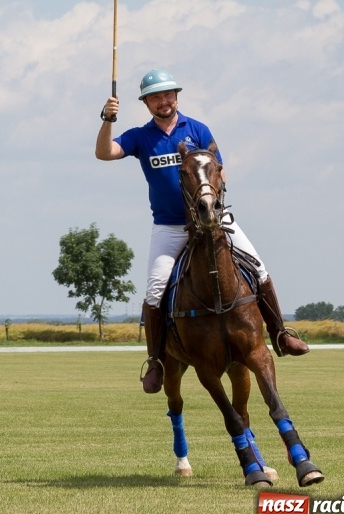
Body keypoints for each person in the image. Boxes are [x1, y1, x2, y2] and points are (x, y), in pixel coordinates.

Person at [95, 68, 308, 394]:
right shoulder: (140, 136)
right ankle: (156, 362)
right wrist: (107, 119)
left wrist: (210, 204)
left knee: (259, 268)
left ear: (176, 97)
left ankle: (280, 334)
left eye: (168, 94)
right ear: (146, 103)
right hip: (169, 226)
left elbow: (219, 172)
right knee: (155, 291)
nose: (163, 101)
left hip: (213, 221)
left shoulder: (198, 129)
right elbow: (104, 153)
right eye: (155, 97)